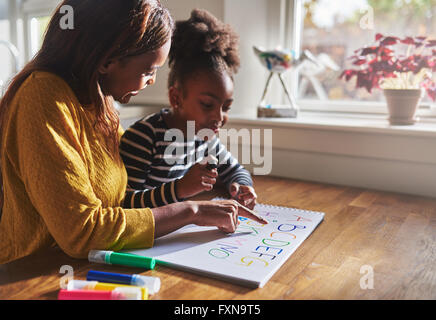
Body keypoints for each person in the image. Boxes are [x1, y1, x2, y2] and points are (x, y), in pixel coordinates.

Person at [0, 0, 263, 265]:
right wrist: (192, 210)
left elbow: (121, 181)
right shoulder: (43, 97)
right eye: (149, 70)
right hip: (29, 273)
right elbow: (82, 232)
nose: (151, 81)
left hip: (92, 263)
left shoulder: (99, 99)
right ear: (107, 60)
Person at [119, 9, 258, 211]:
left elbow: (235, 170)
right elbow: (126, 204)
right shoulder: (144, 138)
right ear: (176, 98)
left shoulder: (206, 139)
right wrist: (180, 189)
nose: (219, 117)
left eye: (226, 107)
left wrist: (242, 186)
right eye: (207, 105)